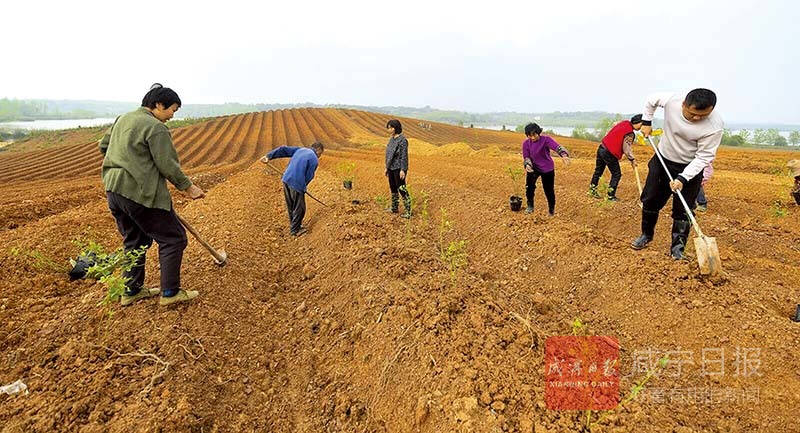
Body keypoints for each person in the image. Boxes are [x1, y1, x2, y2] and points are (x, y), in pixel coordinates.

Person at [99, 83, 205, 306]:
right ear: (158, 105)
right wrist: (188, 187)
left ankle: (131, 291)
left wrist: (127, 160)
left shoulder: (123, 119)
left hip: (114, 191)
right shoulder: (155, 127)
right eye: (172, 110)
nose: (171, 116)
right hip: (140, 192)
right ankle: (170, 293)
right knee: (173, 238)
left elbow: (104, 146)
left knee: (135, 241)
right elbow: (167, 164)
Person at [631, 88, 723, 259]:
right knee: (650, 200)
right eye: (693, 113)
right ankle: (646, 235)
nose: (697, 118)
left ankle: (677, 251)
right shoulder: (672, 100)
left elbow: (704, 157)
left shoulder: (714, 126)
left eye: (703, 115)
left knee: (684, 210)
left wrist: (682, 178)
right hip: (663, 159)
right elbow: (651, 99)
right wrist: (647, 122)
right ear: (683, 105)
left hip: (690, 167)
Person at [261, 142, 324, 236]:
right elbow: (309, 176)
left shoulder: (301, 150)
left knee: (291, 205)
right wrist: (303, 187)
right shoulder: (314, 159)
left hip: (286, 179)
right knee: (300, 208)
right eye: (321, 154)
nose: (320, 156)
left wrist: (269, 156)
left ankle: (294, 226)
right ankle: (295, 230)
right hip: (296, 182)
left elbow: (283, 149)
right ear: (318, 150)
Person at [588, 114, 643, 201]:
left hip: (602, 147)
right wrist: (632, 159)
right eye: (642, 124)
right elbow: (626, 148)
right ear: (638, 122)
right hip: (609, 153)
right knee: (616, 174)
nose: (642, 127)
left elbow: (615, 124)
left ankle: (592, 191)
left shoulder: (624, 123)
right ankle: (610, 196)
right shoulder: (630, 133)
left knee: (598, 171)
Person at [521, 123, 571, 215]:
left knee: (548, 190)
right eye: (530, 135)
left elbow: (557, 147)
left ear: (539, 133)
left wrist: (564, 155)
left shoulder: (546, 140)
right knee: (529, 187)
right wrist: (527, 165)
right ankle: (530, 207)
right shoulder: (526, 144)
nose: (532, 137)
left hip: (547, 168)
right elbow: (526, 157)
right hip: (533, 167)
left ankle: (551, 211)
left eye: (534, 134)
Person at [384, 119, 411, 218]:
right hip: (391, 167)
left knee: (402, 188)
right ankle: (394, 207)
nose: (389, 130)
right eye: (388, 128)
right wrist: (387, 167)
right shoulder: (391, 139)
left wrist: (403, 169)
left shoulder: (402, 140)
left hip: (399, 168)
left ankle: (409, 210)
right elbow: (388, 154)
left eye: (391, 128)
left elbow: (404, 156)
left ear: (396, 128)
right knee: (393, 187)